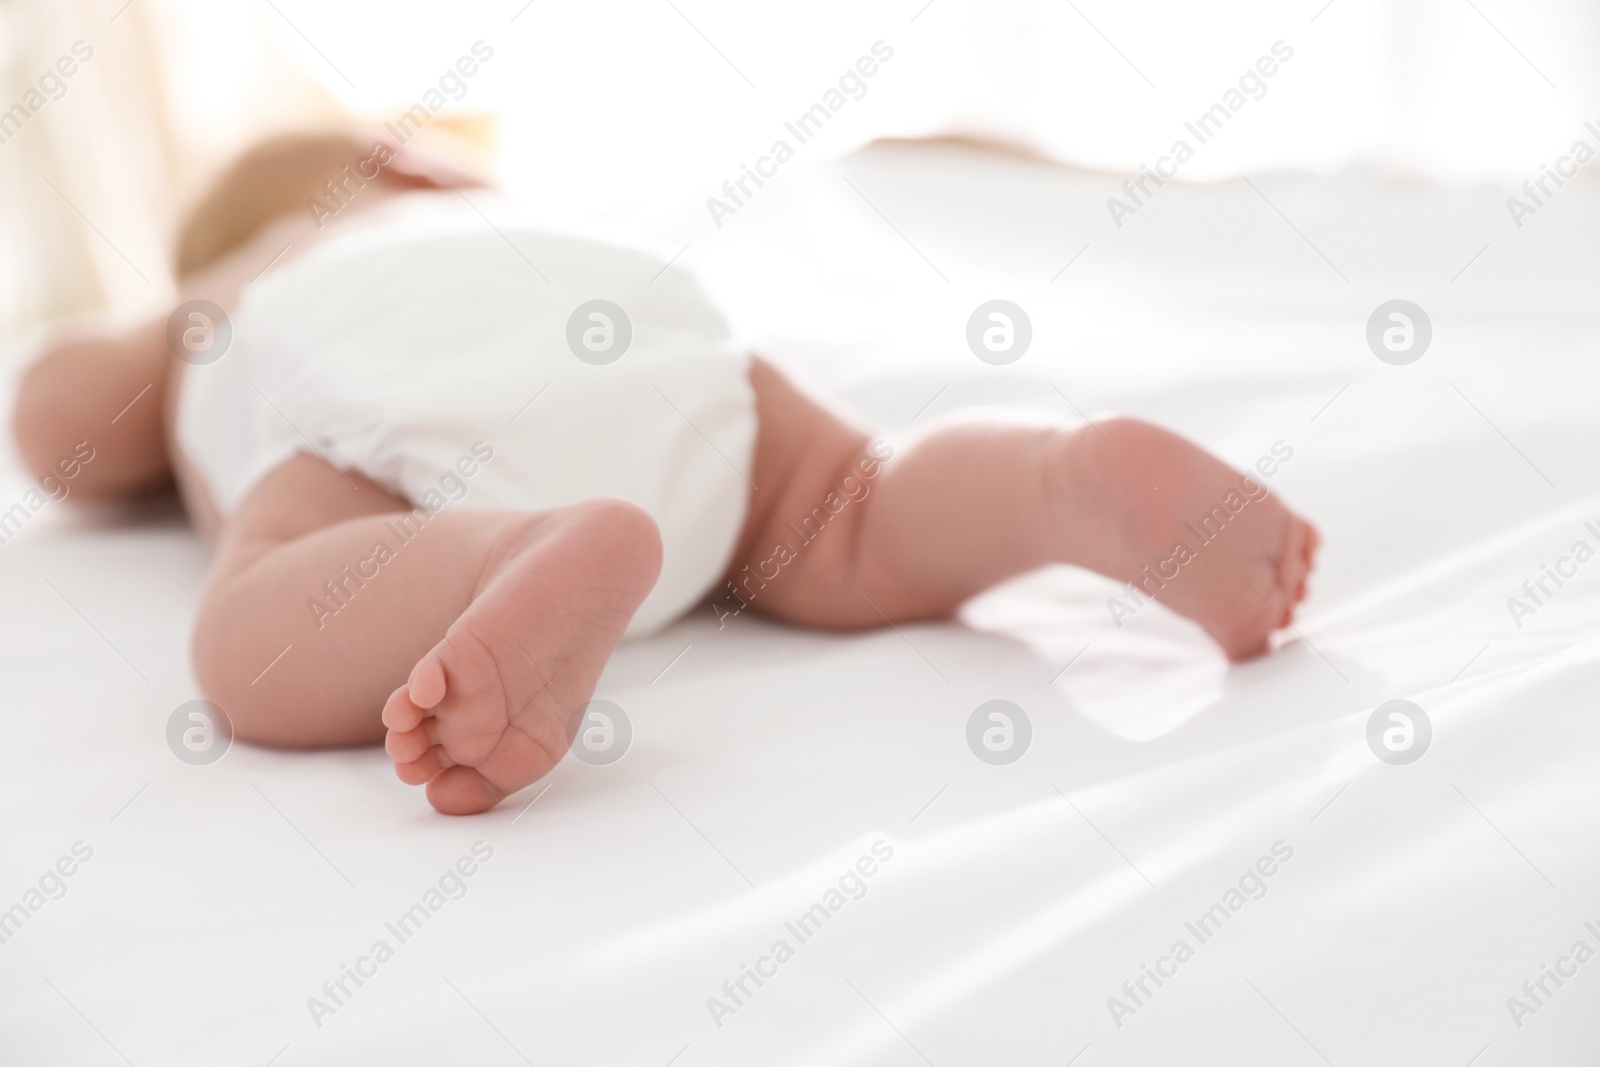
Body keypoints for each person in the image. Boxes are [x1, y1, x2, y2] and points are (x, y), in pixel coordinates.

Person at [11, 129, 1318, 815]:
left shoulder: (275, 267)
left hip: (386, 374)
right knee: (850, 504)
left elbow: (54, 426)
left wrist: (166, 319)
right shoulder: (502, 214)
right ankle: (1055, 484)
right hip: (640, 322)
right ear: (422, 160)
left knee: (254, 637)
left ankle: (506, 551)